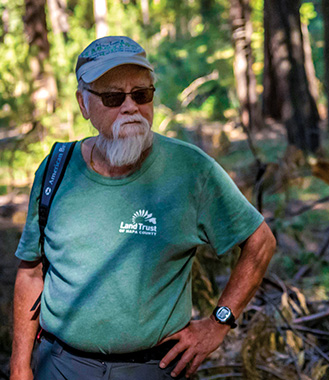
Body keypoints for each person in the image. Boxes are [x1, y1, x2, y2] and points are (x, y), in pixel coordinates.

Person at [10, 36, 276, 380]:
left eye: (142, 94)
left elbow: (261, 242)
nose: (130, 107)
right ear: (83, 104)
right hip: (60, 365)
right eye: (112, 97)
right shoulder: (56, 169)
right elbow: (31, 272)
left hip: (154, 368)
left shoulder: (190, 169)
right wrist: (20, 365)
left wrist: (218, 322)